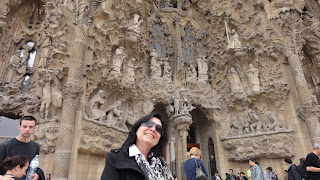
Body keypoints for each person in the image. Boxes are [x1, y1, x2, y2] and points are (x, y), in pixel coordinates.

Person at [100, 113, 174, 180]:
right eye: (148, 124)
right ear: (137, 129)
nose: (153, 129)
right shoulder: (116, 158)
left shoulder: (162, 165)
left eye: (159, 129)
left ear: (160, 138)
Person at [0, 116, 45, 180]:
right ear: (19, 127)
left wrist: (37, 174)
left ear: (34, 128)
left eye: (31, 127)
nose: (27, 129)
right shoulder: (5, 146)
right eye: (24, 126)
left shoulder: (35, 146)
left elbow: (34, 166)